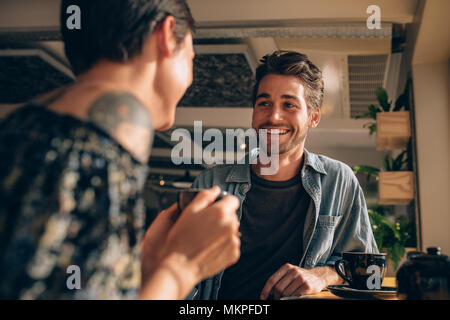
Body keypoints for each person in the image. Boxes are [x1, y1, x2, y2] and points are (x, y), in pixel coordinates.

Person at [0, 0, 241, 300]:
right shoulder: (99, 150)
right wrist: (182, 267)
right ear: (166, 34)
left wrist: (144, 268)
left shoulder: (21, 129)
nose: (190, 78)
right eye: (191, 56)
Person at [190, 50, 379, 300]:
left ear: (313, 117)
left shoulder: (338, 180)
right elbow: (181, 270)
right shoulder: (209, 183)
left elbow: (371, 272)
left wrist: (322, 275)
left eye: (289, 104)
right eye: (264, 103)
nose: (273, 116)